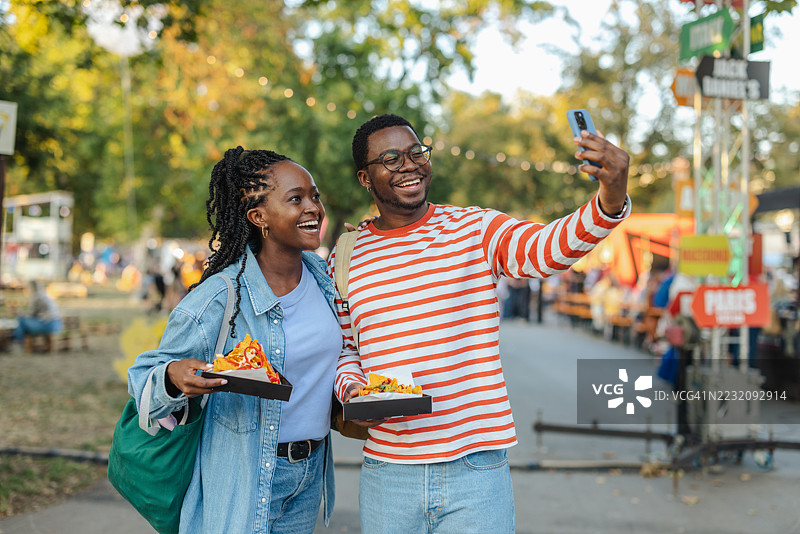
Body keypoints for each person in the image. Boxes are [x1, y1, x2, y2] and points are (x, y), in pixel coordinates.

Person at [329, 113, 631, 533]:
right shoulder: (346, 256)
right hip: (389, 470)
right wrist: (353, 393)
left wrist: (610, 201)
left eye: (416, 152)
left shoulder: (474, 229)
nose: (410, 165)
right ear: (365, 177)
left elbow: (547, 250)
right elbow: (345, 349)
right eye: (391, 158)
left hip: (475, 468)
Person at [127, 147, 342, 533]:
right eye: (296, 199)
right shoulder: (220, 297)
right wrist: (175, 376)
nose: (313, 208)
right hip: (247, 474)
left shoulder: (324, 278)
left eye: (315, 196)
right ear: (258, 217)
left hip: (310, 473)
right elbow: (144, 375)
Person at [14, 280, 62, 352]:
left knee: (21, 320)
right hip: (57, 323)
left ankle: (19, 342)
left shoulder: (36, 296)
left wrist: (20, 314)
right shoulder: (45, 294)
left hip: (47, 324)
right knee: (23, 322)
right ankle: (19, 342)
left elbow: (31, 314)